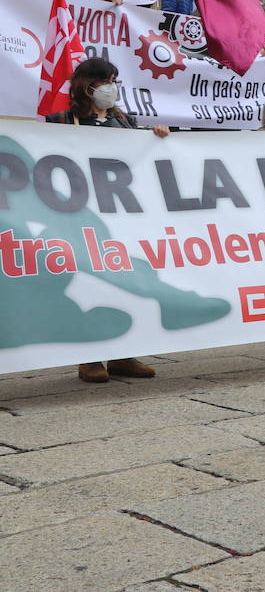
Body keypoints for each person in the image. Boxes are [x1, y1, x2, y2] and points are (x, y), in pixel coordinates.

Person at [46, 57, 170, 383]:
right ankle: (88, 359)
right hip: (81, 216)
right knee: (89, 283)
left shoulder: (123, 120)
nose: (111, 87)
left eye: (114, 80)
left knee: (124, 283)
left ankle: (122, 355)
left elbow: (139, 160)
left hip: (121, 217)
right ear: (88, 84)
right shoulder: (61, 120)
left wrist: (156, 137)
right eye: (106, 81)